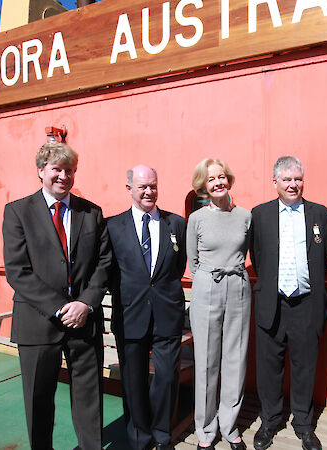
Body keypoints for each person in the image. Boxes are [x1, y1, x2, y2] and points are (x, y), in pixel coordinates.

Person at [2, 141, 112, 450]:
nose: (63, 176)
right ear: (41, 171)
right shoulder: (17, 212)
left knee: (90, 398)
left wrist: (85, 303)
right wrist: (62, 308)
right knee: (38, 399)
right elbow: (17, 271)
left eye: (70, 170)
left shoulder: (91, 212)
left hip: (83, 322)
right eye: (57, 169)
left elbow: (103, 264)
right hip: (38, 322)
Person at [250, 156, 327, 450]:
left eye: (297, 179)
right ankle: (269, 421)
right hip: (272, 302)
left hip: (306, 303)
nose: (293, 184)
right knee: (269, 367)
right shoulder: (259, 215)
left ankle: (303, 424)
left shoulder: (321, 215)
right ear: (275, 183)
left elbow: (323, 259)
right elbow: (258, 257)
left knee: (305, 366)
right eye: (287, 180)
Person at [107, 165, 187, 450]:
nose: (149, 191)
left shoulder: (176, 223)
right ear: (129, 188)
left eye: (153, 185)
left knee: (166, 378)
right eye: (142, 186)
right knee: (134, 382)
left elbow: (177, 268)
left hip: (167, 314)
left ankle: (162, 436)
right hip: (130, 315)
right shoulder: (112, 226)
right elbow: (109, 273)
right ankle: (139, 438)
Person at [186, 158, 251, 450]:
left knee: (235, 357)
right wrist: (212, 276)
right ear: (203, 185)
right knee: (207, 359)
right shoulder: (196, 219)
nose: (217, 183)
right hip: (207, 285)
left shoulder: (245, 217)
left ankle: (229, 422)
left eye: (221, 177)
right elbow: (193, 260)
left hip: (238, 286)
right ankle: (206, 427)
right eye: (211, 179)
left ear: (229, 179)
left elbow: (245, 251)